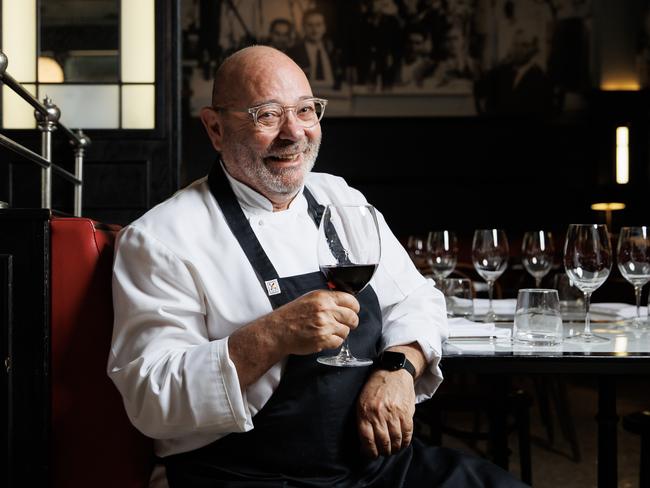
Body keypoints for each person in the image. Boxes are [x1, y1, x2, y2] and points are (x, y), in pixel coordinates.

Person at [108, 45, 528, 487]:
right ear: (215, 127)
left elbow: (417, 299)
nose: (294, 133)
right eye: (267, 115)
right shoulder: (161, 237)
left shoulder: (340, 199)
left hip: (375, 468)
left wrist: (400, 368)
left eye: (306, 111)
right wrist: (273, 335)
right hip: (245, 474)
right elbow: (150, 398)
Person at [287, 9, 343, 90]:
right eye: (310, 25)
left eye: (318, 25)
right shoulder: (294, 52)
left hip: (333, 95)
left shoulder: (332, 49)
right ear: (303, 27)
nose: (314, 30)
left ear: (324, 27)